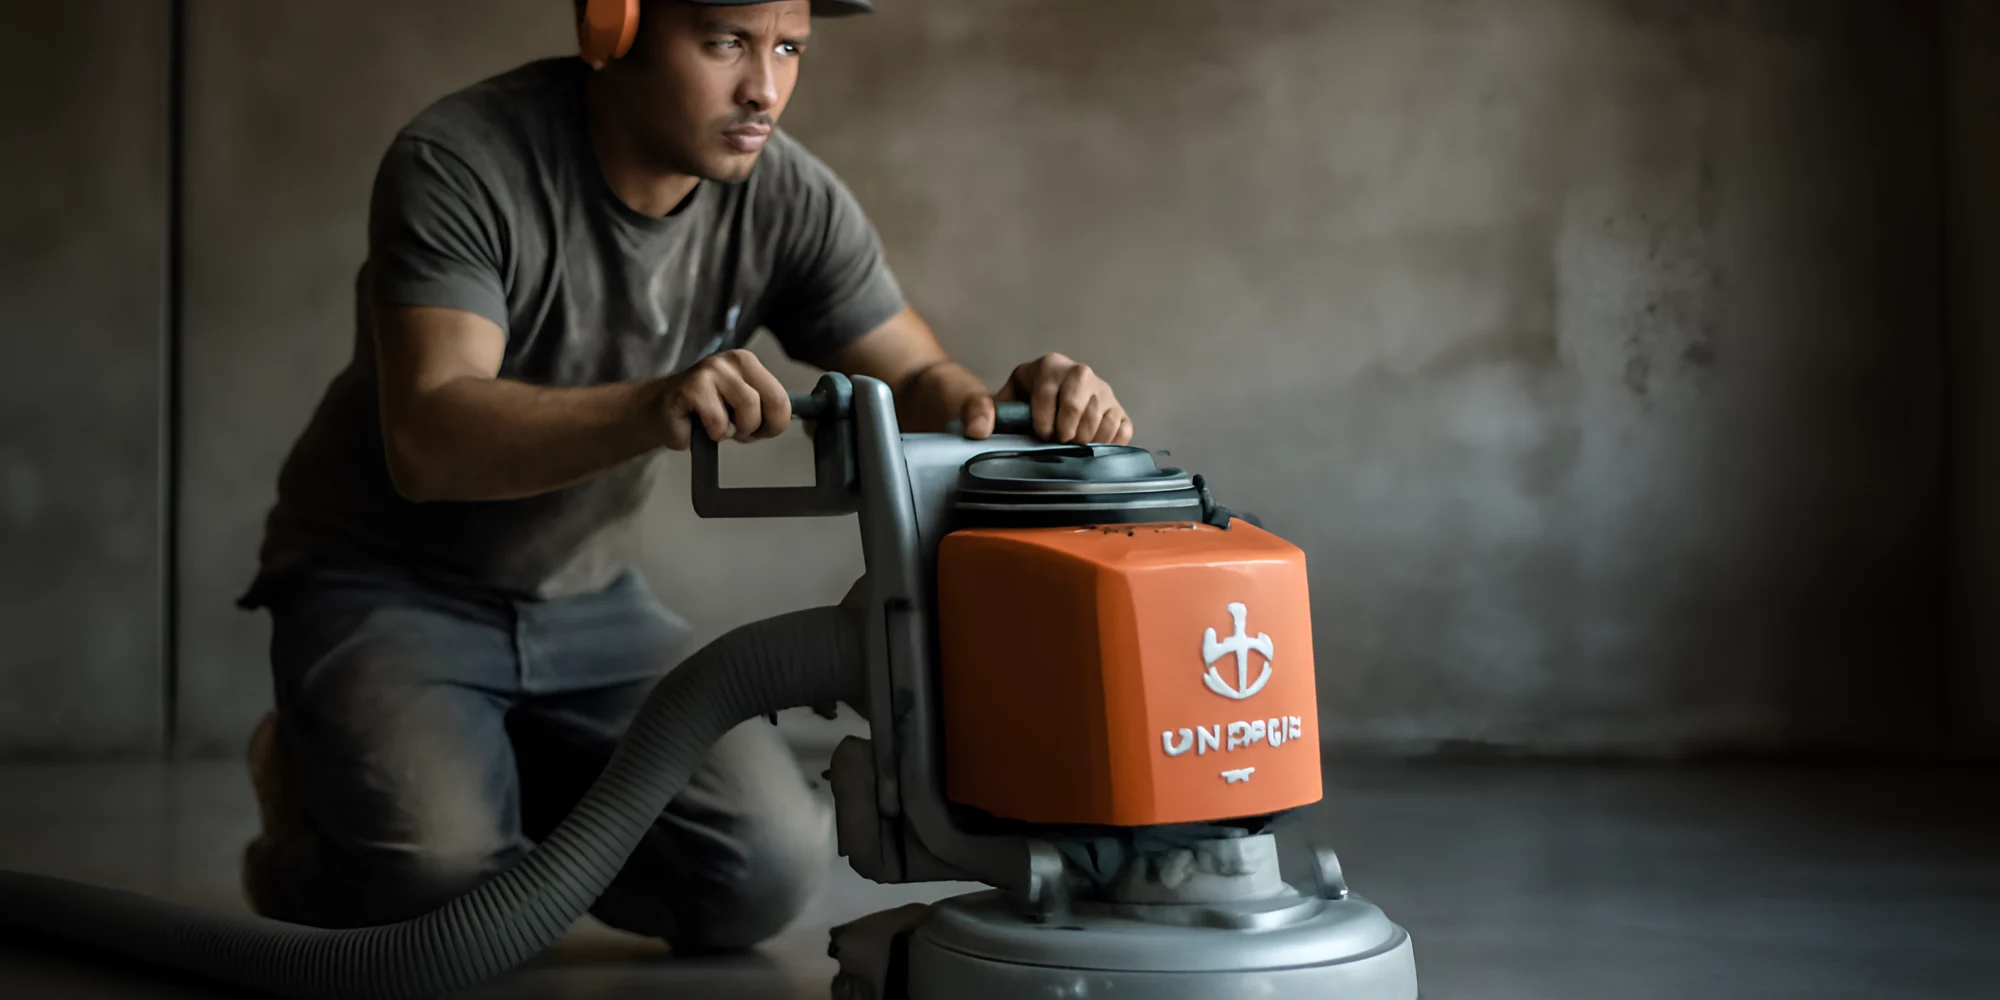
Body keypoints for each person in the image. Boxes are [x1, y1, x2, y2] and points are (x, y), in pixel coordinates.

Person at [233, 0, 1134, 953]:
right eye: (725, 42)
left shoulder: (787, 195)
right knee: (437, 894)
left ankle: (483, 774)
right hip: (385, 583)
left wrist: (1009, 404)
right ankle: (308, 784)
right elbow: (430, 437)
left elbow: (914, 377)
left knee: (764, 873)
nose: (766, 88)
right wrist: (651, 404)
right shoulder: (463, 160)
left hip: (586, 603)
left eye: (788, 48)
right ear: (612, 28)